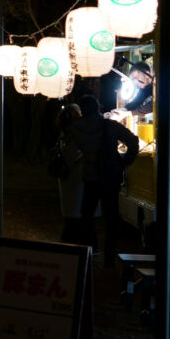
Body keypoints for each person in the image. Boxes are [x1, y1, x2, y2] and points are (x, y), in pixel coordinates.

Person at [72, 94, 139, 267]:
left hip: (90, 176)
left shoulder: (76, 128)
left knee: (87, 215)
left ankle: (88, 253)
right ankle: (109, 256)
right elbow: (133, 142)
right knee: (111, 217)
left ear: (82, 111)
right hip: (110, 176)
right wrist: (124, 163)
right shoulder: (110, 125)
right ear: (98, 108)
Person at [54, 103, 86, 243]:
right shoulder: (78, 134)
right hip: (76, 175)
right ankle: (73, 241)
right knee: (77, 212)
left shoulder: (63, 134)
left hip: (65, 175)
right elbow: (76, 154)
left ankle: (68, 238)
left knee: (70, 211)